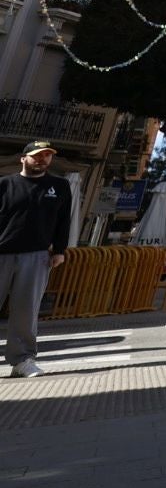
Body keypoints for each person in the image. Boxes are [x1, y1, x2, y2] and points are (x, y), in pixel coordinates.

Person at [1, 140, 72, 377]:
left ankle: (22, 360)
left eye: (47, 156)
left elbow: (64, 221)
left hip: (37, 255)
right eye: (36, 155)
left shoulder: (59, 186)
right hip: (2, 253)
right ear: (23, 158)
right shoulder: (5, 184)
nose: (42, 159)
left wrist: (60, 250)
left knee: (26, 310)